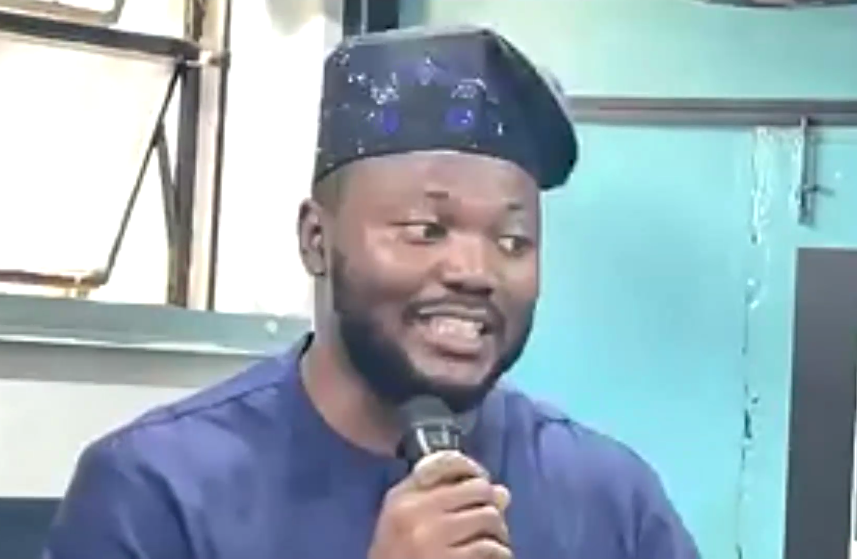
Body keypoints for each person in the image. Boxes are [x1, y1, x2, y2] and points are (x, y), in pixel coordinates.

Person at [42, 25, 700, 559]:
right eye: (426, 229)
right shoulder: (157, 492)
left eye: (513, 240)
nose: (476, 270)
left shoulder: (611, 499)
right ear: (316, 239)